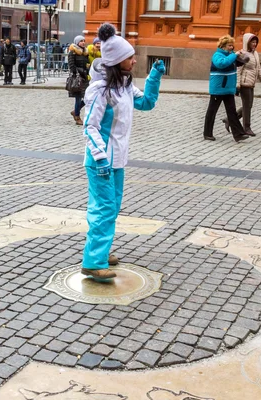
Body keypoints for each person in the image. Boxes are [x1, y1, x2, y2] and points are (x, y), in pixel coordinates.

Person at [81, 23, 165, 281]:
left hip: (117, 161)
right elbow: (90, 126)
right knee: (104, 209)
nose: (134, 59)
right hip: (100, 162)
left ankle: (102, 252)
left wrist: (154, 77)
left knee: (112, 208)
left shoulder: (125, 85)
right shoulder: (100, 89)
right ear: (118, 61)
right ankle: (93, 262)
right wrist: (100, 158)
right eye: (130, 57)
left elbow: (146, 103)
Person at [203, 35, 250, 142]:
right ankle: (207, 133)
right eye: (229, 45)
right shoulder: (217, 55)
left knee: (232, 112)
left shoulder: (230, 55)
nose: (231, 48)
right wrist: (234, 56)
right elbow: (222, 64)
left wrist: (243, 58)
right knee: (212, 111)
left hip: (228, 89)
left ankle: (238, 134)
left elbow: (236, 63)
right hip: (218, 89)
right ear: (223, 46)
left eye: (232, 46)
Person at [223, 33, 261, 137]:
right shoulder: (241, 54)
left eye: (255, 42)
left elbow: (258, 67)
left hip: (251, 83)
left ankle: (229, 120)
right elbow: (238, 70)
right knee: (247, 106)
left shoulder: (255, 53)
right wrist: (237, 86)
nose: (254, 44)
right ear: (247, 42)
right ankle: (246, 128)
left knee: (249, 105)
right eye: (252, 42)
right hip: (244, 83)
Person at [68, 35, 89, 125]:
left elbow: (87, 63)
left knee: (88, 97)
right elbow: (72, 66)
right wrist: (81, 71)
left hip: (84, 77)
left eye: (84, 40)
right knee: (78, 98)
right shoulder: (72, 52)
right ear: (77, 42)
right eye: (81, 41)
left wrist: (87, 69)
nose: (83, 42)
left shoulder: (85, 52)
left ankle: (75, 111)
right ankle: (77, 116)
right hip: (77, 78)